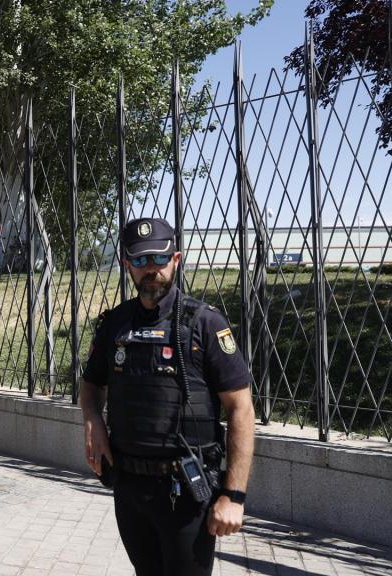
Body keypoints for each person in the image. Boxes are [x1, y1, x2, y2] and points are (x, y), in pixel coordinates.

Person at [78, 217, 255, 576]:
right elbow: (91, 384)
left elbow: (241, 409)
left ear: (175, 259)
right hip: (129, 488)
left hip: (185, 492)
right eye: (140, 260)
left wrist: (233, 496)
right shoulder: (115, 323)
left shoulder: (205, 324)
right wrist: (93, 420)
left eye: (159, 259)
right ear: (127, 264)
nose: (151, 269)